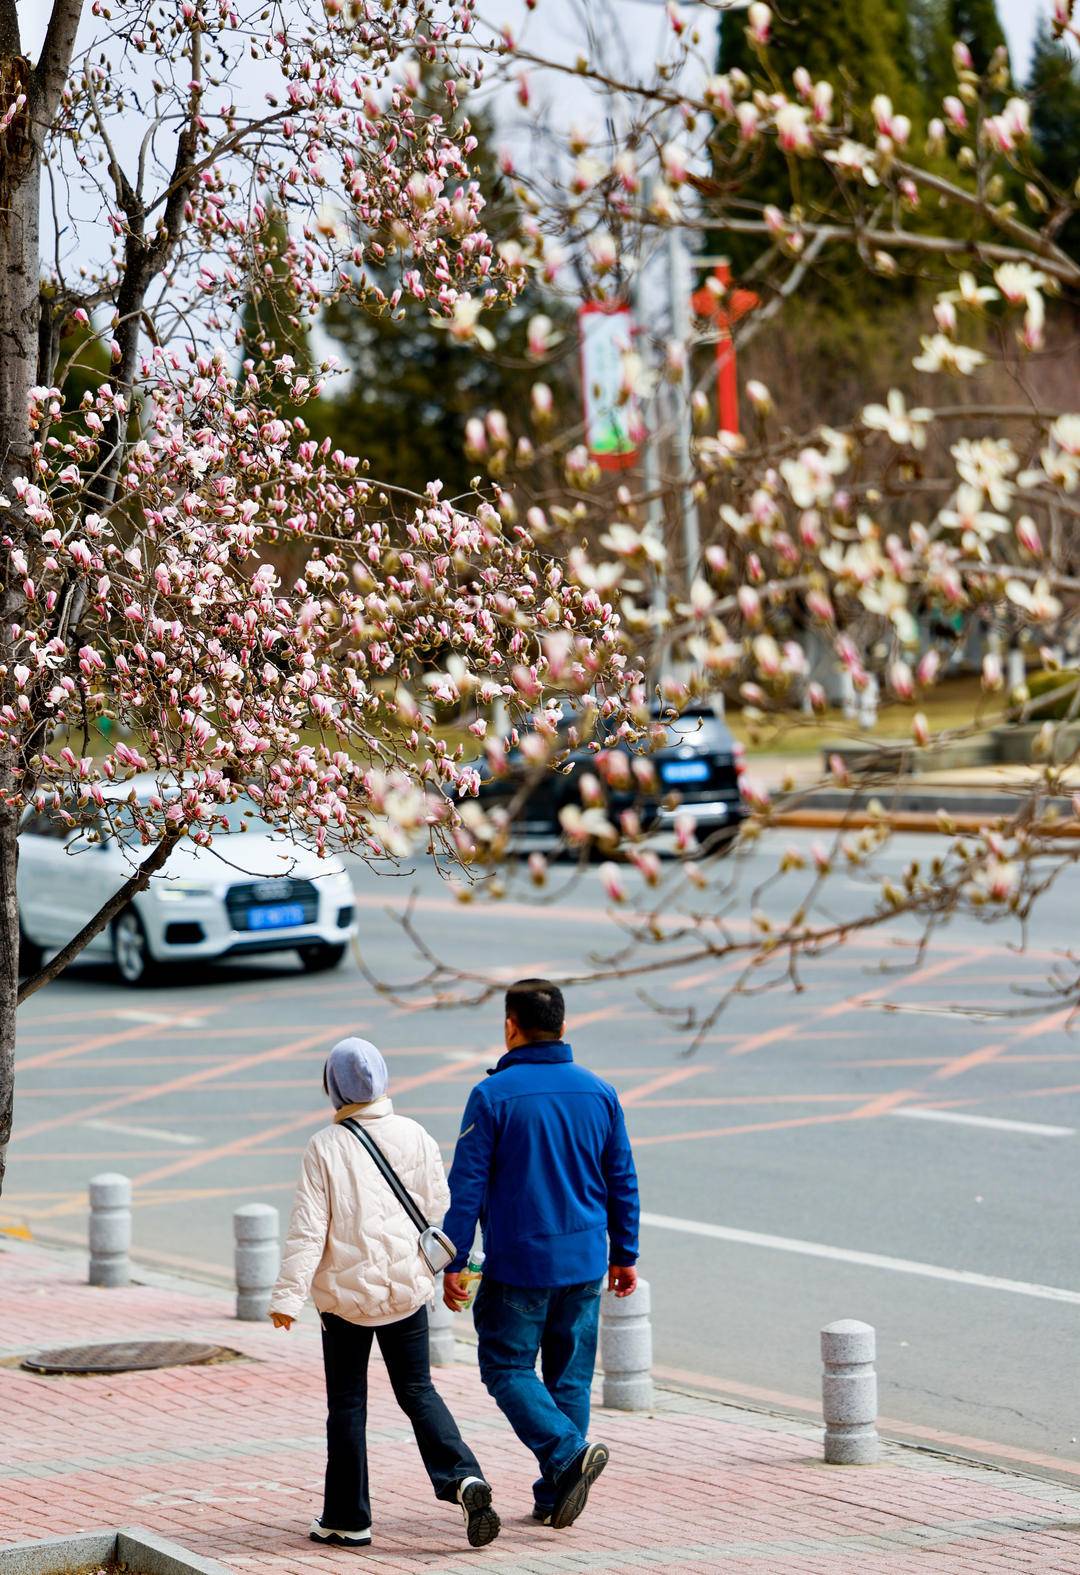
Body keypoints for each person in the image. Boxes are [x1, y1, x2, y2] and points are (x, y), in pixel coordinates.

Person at [268, 1036, 500, 1551]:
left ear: (332, 1087)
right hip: (405, 1292)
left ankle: (348, 1519)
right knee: (418, 1391)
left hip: (345, 1302)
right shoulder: (415, 1134)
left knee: (347, 1406)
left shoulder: (323, 1147)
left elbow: (309, 1230)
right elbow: (440, 1207)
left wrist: (287, 1299)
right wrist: (448, 1269)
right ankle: (462, 1477)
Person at [442, 979, 640, 1531]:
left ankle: (565, 1455)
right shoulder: (598, 1091)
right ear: (563, 1026)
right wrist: (625, 1253)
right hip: (584, 1261)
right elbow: (621, 1178)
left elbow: (468, 1187)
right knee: (569, 1380)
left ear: (511, 1025)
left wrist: (453, 1260)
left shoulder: (492, 1096)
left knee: (505, 1366)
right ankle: (556, 1496)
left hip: (519, 1266)